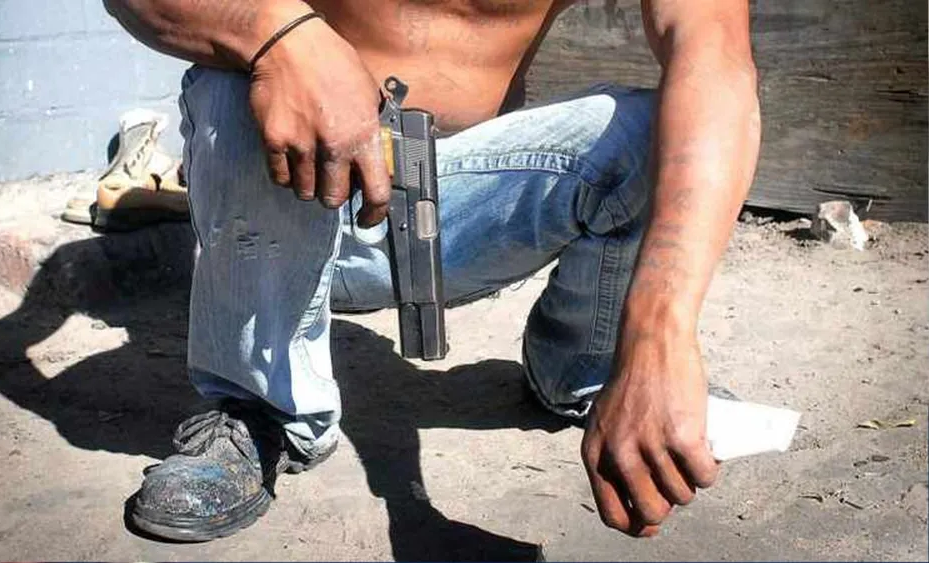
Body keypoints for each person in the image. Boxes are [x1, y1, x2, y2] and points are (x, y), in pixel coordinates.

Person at [104, 0, 760, 542]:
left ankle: (593, 366)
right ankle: (254, 407)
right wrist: (279, 35)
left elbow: (715, 57)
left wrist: (659, 333)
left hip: (458, 205)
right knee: (231, 83)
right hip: (293, 193)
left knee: (657, 131)